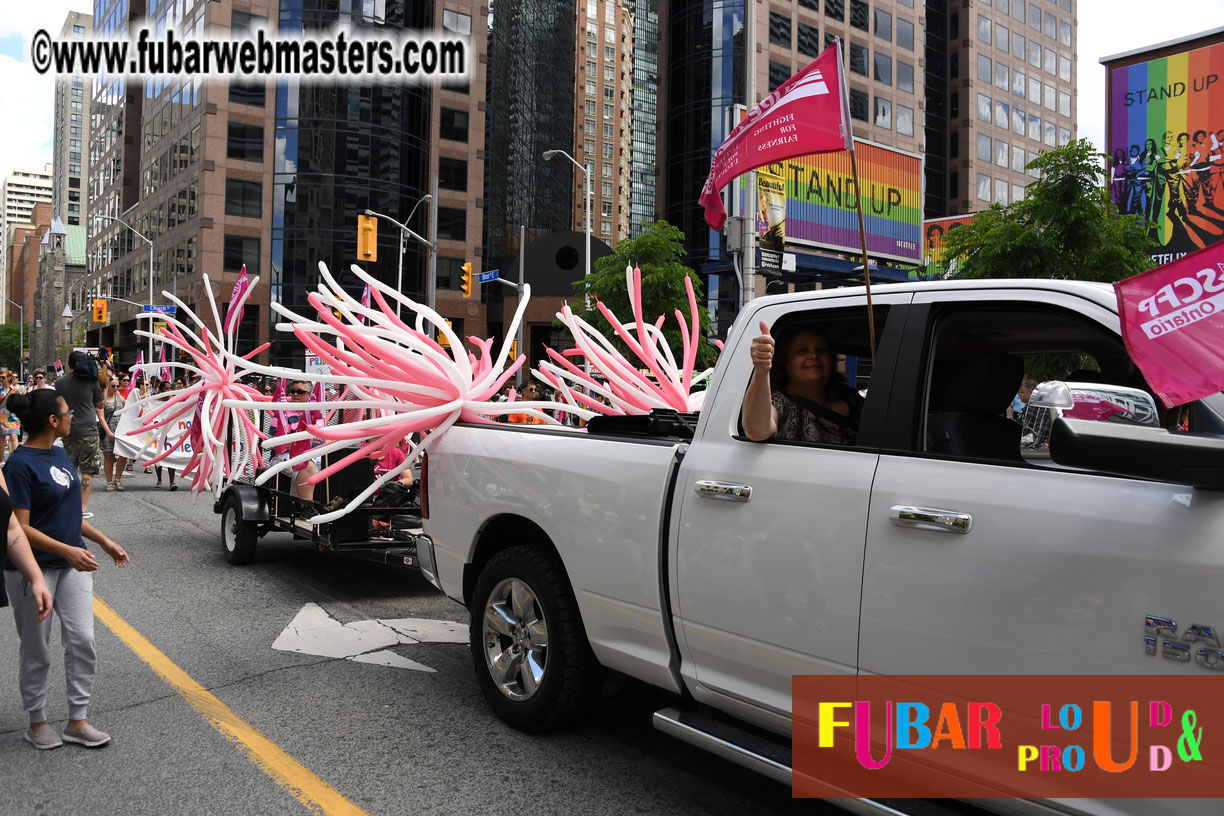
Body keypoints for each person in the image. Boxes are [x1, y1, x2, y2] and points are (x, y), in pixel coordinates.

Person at [3, 388, 129, 750]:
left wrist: (103, 541)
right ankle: (37, 721)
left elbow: (70, 513)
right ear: (52, 421)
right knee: (36, 648)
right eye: (67, 411)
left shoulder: (59, 455)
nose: (74, 415)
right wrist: (68, 551)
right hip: (33, 570)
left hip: (73, 564)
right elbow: (20, 527)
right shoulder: (19, 464)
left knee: (82, 640)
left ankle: (78, 720)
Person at [740, 320, 863, 445]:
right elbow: (756, 430)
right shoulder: (780, 403)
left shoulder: (852, 399)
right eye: (803, 351)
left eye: (820, 349)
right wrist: (761, 368)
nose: (814, 355)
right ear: (786, 362)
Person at [55, 351, 113, 519]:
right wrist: (103, 387)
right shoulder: (91, 380)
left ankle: (66, 504)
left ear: (69, 364)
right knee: (88, 470)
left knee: (69, 468)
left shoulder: (60, 382)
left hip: (68, 428)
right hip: (88, 429)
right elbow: (100, 403)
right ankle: (82, 507)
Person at [270, 380, 320, 501]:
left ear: (309, 394)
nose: (295, 394)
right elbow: (276, 443)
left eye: (300, 392)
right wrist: (302, 443)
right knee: (307, 465)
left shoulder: (317, 414)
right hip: (283, 456)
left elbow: (326, 438)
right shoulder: (282, 413)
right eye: (293, 391)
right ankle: (306, 508)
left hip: (315, 453)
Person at [100, 378, 128, 492]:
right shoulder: (102, 399)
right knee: (109, 457)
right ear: (107, 386)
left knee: (123, 455)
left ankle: (118, 479)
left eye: (117, 386)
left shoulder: (119, 397)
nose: (116, 388)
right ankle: (109, 482)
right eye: (113, 386)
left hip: (120, 430)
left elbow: (129, 409)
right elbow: (101, 418)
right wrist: (109, 432)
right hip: (108, 431)